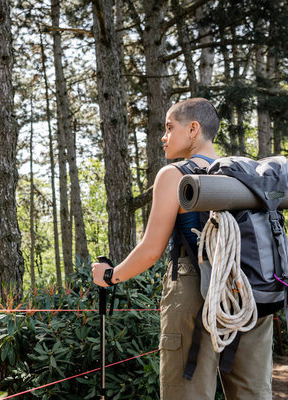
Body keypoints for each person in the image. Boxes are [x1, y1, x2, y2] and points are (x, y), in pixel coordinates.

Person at [92, 98, 273, 400]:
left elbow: (151, 249)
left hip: (195, 292)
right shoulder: (246, 175)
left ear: (193, 129)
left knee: (185, 393)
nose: (163, 137)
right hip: (250, 293)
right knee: (253, 394)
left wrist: (110, 276)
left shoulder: (175, 175)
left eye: (169, 128)